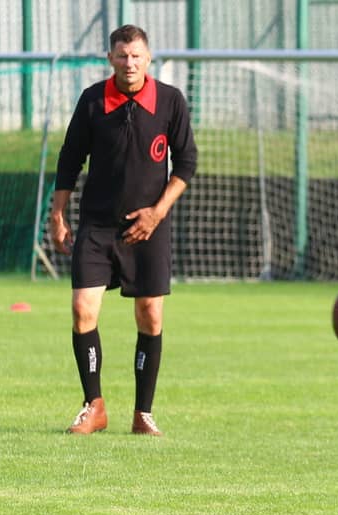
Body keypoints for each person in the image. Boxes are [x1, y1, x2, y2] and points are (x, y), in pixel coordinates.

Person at [48, 24, 197, 436]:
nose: (129, 63)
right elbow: (70, 158)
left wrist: (156, 213)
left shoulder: (170, 101)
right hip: (97, 225)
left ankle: (142, 414)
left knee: (150, 314)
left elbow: (186, 163)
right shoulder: (92, 100)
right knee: (82, 309)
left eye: (136, 56)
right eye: (122, 55)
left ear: (148, 58)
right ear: (110, 59)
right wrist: (57, 215)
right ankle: (93, 406)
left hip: (149, 229)